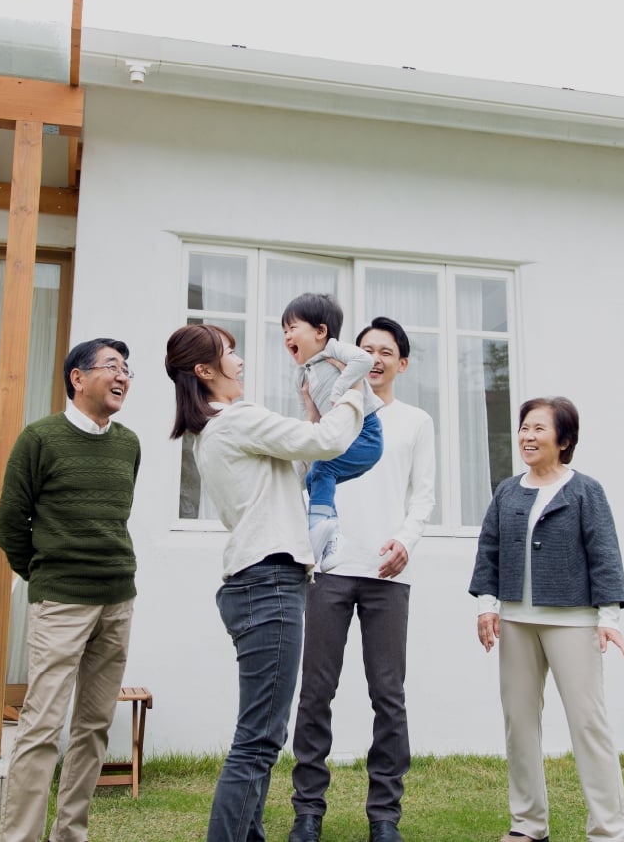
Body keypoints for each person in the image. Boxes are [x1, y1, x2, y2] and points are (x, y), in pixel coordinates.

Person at [164, 322, 365, 842]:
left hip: (254, 584)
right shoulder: (237, 420)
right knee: (258, 740)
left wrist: (313, 411)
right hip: (268, 582)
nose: (241, 362)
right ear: (205, 371)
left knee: (260, 735)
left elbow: (297, 458)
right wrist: (354, 389)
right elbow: (329, 442)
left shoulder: (212, 433)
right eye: (231, 354)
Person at [289, 316, 436, 842]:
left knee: (388, 694)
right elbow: (305, 482)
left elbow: (422, 496)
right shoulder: (332, 414)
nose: (374, 358)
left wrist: (406, 542)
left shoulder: (416, 421)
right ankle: (307, 811)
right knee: (315, 692)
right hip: (328, 568)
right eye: (366, 348)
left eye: (385, 351)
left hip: (388, 573)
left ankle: (384, 817)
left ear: (402, 362)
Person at [469, 396, 624, 842]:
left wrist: (609, 617)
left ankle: (609, 830)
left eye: (539, 428)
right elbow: (489, 550)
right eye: (524, 427)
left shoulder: (586, 490)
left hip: (574, 622)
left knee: (588, 724)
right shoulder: (507, 490)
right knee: (518, 723)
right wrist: (487, 605)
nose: (527, 435)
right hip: (516, 621)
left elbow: (604, 555)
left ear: (564, 440)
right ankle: (527, 825)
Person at [0, 338, 141, 842]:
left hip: (118, 598)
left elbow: (115, 518)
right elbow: (11, 524)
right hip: (61, 601)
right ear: (77, 378)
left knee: (94, 726)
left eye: (126, 369)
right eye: (111, 366)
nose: (122, 376)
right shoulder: (40, 438)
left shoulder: (129, 443)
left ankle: (70, 834)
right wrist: (45, 578)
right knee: (41, 726)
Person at [282, 293, 384, 570]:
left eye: (293, 328)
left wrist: (341, 388)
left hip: (366, 433)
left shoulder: (334, 349)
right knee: (317, 475)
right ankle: (331, 539)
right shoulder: (301, 374)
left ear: (320, 332)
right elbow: (309, 418)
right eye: (284, 331)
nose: (287, 336)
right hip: (340, 437)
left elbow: (363, 361)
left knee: (323, 470)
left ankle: (320, 528)